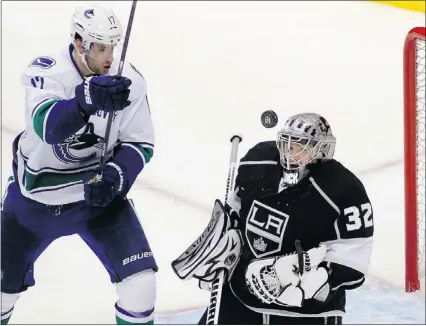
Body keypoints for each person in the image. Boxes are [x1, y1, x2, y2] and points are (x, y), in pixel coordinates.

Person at [1, 5, 157, 325]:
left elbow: (141, 145)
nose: (109, 57)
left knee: (141, 286)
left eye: (112, 46)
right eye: (100, 48)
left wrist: (115, 177)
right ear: (78, 42)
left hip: (96, 202)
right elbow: (47, 129)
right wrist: (84, 100)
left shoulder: (129, 81)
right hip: (34, 205)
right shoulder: (47, 72)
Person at [173, 112, 374, 325]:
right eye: (286, 144)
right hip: (242, 295)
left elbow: (353, 260)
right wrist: (224, 245)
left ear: (321, 149)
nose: (289, 152)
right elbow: (237, 210)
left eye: (299, 146)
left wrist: (309, 280)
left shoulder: (344, 190)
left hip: (305, 314)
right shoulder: (258, 161)